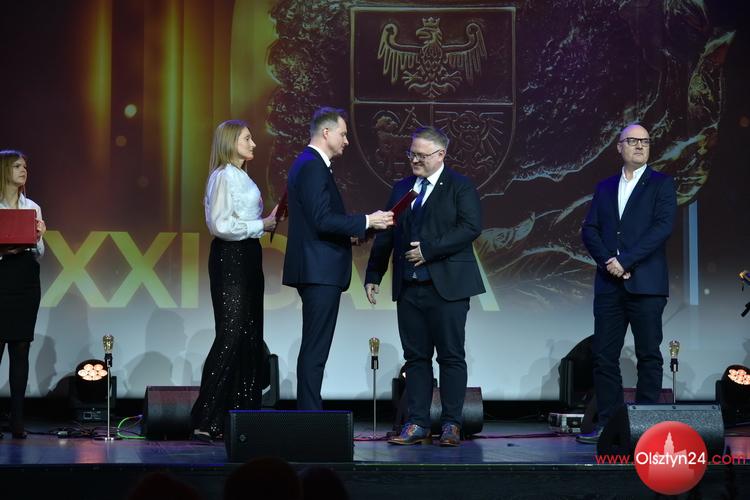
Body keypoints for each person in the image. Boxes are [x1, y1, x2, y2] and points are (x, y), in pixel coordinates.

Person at [365, 126, 485, 446]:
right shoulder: (402, 188)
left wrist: (429, 251)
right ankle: (417, 423)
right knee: (416, 357)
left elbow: (471, 227)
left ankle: (451, 424)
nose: (414, 160)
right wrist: (374, 274)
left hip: (447, 287)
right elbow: (388, 232)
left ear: (441, 154)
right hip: (409, 287)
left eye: (421, 155)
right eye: (411, 154)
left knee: (450, 356)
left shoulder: (459, 186)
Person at [282, 107, 393, 410]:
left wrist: (354, 234)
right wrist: (367, 220)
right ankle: (310, 416)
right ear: (326, 132)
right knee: (316, 347)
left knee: (316, 346)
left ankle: (311, 413)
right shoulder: (312, 166)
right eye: (343, 134)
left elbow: (318, 220)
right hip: (318, 270)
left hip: (319, 268)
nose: (347, 141)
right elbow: (321, 219)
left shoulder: (311, 165)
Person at [578, 123, 677, 443]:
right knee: (604, 356)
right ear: (619, 147)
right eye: (632, 141)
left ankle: (645, 428)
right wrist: (609, 262)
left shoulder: (661, 184)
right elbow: (590, 229)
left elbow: (662, 228)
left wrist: (626, 261)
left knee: (649, 354)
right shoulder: (606, 186)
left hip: (646, 285)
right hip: (610, 285)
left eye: (645, 141)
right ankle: (609, 425)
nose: (639, 146)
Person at [191, 120, 278, 440]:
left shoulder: (243, 176)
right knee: (231, 332)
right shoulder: (223, 176)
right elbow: (220, 225)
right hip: (231, 257)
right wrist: (261, 225)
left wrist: (265, 223)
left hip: (249, 255)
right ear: (230, 142)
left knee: (249, 334)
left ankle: (239, 415)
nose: (253, 143)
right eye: (246, 139)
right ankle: (205, 416)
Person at [0, 150, 46, 440]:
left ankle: (17, 420)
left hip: (26, 280)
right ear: (4, 170)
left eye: (25, 166)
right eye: (17, 166)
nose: (23, 170)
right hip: (1, 276)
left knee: (21, 348)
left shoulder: (32, 207)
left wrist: (39, 237)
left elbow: (39, 252)